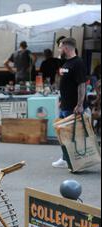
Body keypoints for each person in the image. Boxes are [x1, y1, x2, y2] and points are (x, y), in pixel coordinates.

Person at [52, 37, 87, 169]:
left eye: (60, 47)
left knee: (71, 135)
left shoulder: (78, 63)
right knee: (63, 134)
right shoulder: (66, 63)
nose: (59, 49)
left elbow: (81, 85)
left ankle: (73, 159)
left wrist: (79, 104)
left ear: (66, 48)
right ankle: (65, 158)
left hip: (73, 107)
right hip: (65, 105)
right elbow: (65, 84)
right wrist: (61, 100)